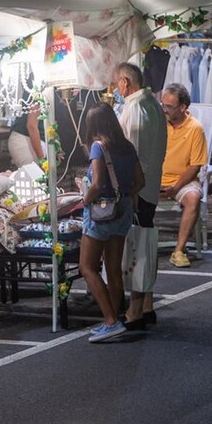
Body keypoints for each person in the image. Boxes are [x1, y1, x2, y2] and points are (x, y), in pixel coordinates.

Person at [80, 103, 144, 343]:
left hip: (101, 211)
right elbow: (140, 180)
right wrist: (124, 194)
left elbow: (96, 183)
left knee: (87, 267)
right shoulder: (126, 146)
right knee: (113, 267)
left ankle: (110, 320)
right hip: (123, 209)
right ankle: (115, 317)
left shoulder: (98, 147)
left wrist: (84, 200)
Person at [114, 62, 167, 328]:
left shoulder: (135, 107)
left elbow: (131, 154)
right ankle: (146, 305)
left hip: (140, 188)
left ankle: (135, 311)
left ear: (125, 82)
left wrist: (130, 190)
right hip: (150, 184)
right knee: (145, 243)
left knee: (137, 247)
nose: (115, 88)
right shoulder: (152, 103)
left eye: (116, 83)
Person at [159, 83, 208, 268]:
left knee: (193, 197)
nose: (164, 109)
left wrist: (176, 187)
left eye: (169, 106)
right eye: (163, 105)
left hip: (183, 180)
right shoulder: (159, 124)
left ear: (182, 107)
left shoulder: (195, 128)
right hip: (156, 178)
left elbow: (195, 165)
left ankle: (179, 250)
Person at [8, 102, 44, 169]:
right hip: (25, 138)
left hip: (34, 140)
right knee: (33, 176)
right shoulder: (37, 93)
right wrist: (42, 159)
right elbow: (31, 126)